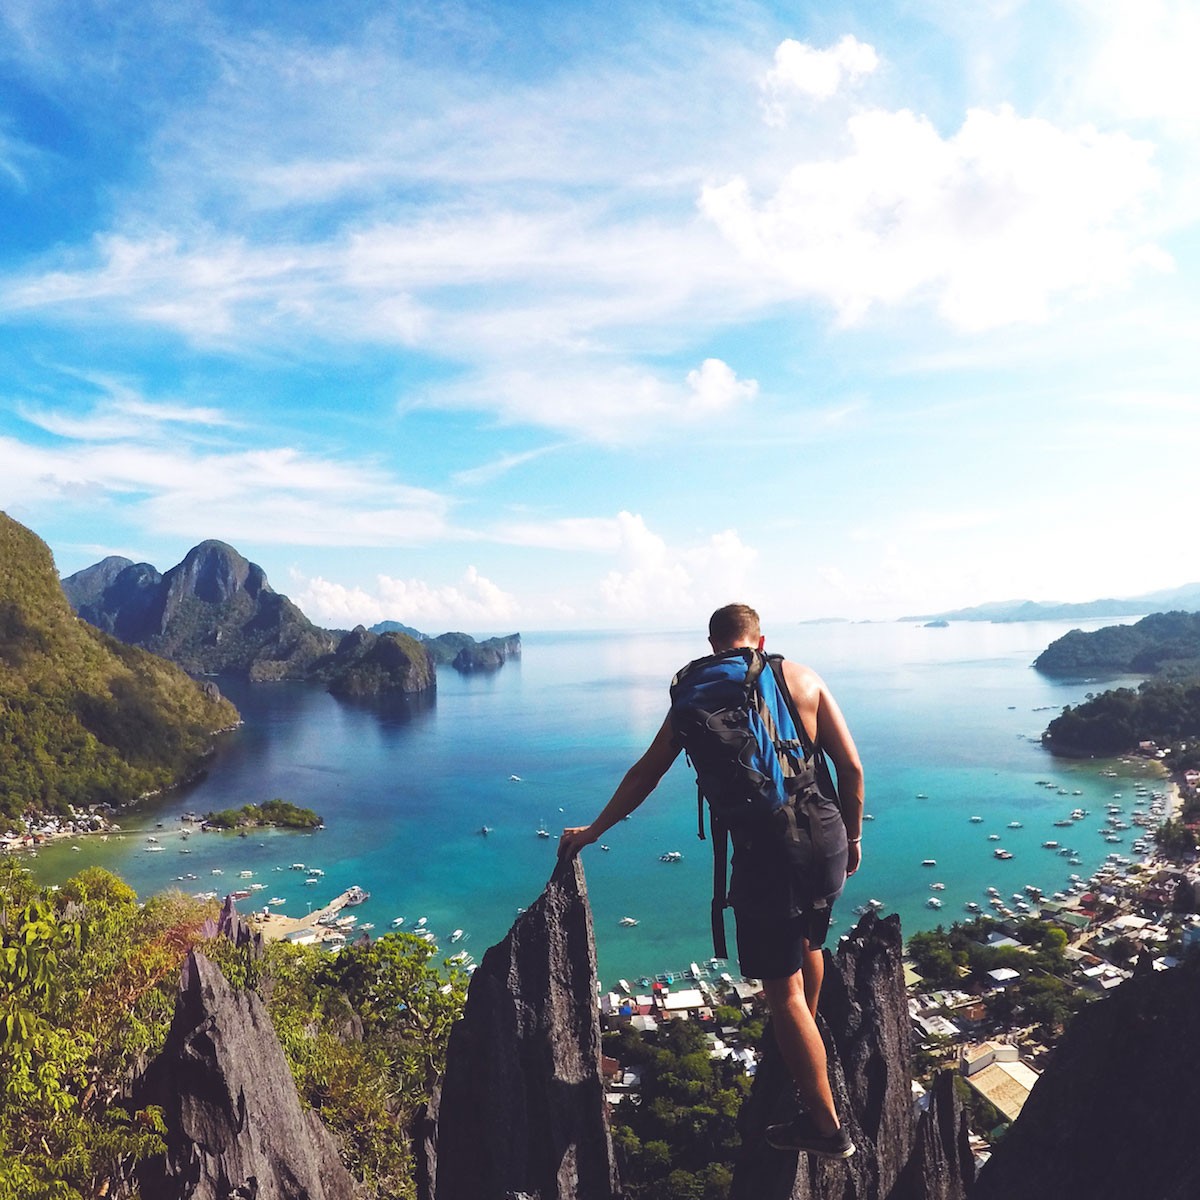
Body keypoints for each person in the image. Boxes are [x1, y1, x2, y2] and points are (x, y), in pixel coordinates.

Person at [557, 603, 864, 1159]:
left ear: (712, 643)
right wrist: (855, 836)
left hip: (765, 853)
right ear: (761, 638)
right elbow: (852, 769)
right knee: (811, 938)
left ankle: (826, 1129)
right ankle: (805, 1037)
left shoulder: (695, 697)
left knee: (783, 992)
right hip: (825, 835)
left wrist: (596, 829)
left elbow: (645, 773)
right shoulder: (802, 677)